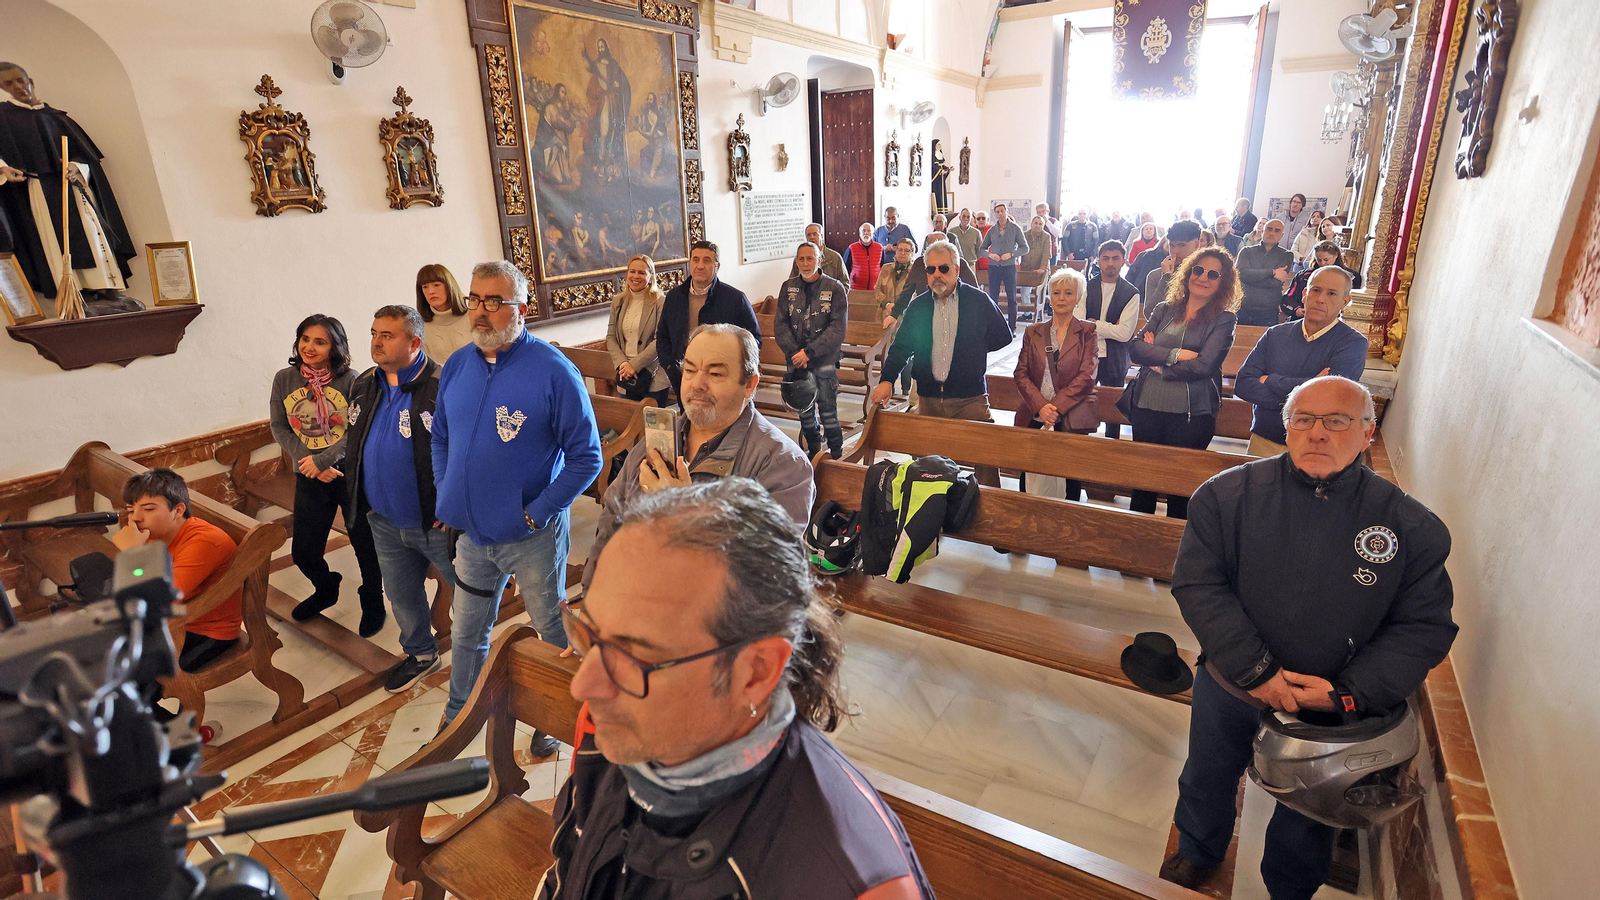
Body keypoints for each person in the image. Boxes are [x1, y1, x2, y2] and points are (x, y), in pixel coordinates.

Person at [548, 479, 934, 900]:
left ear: (756, 673)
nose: (583, 686)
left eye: (631, 656)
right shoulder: (607, 735)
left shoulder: (850, 881)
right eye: (589, 636)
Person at [1161, 375, 1456, 899]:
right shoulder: (1228, 496)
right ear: (1287, 427)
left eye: (1337, 421)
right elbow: (1199, 585)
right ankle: (1199, 851)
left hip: (1329, 708)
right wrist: (1259, 673)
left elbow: (1423, 627)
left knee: (1309, 815)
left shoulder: (1410, 527)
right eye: (1304, 420)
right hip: (1232, 686)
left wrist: (1349, 693)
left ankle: (1290, 887)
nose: (1318, 433)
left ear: (1368, 433)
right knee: (1206, 778)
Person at [432, 261, 602, 742]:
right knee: (465, 633)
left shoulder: (553, 371)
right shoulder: (459, 365)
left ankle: (558, 716)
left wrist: (536, 511)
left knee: (552, 630)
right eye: (474, 300)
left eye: (493, 302)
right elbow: (441, 436)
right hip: (472, 536)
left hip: (532, 536)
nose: (480, 313)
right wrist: (447, 492)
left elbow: (586, 458)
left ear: (521, 309)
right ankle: (456, 722)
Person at [582, 324, 814, 588]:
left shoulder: (783, 464)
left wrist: (688, 516)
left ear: (749, 385)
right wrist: (593, 602)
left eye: (715, 374)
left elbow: (767, 574)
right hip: (632, 607)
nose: (697, 384)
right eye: (689, 370)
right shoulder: (657, 443)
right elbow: (611, 520)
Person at [340, 305, 456, 689]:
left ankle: (482, 657)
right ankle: (421, 653)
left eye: (387, 335)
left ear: (415, 342)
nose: (375, 342)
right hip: (384, 519)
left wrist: (452, 505)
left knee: (471, 592)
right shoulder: (365, 384)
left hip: (436, 521)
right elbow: (354, 442)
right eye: (374, 333)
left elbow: (464, 451)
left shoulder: (443, 384)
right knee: (402, 595)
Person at [269, 314, 384, 627]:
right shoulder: (285, 378)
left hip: (349, 474)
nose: (310, 346)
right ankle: (326, 587)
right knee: (304, 550)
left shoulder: (352, 380)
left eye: (320, 341)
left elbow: (355, 430)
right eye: (305, 339)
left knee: (364, 544)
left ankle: (372, 599)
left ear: (335, 346)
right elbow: (279, 426)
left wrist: (324, 461)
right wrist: (311, 462)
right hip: (308, 473)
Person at [871, 240, 1013, 487]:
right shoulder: (918, 306)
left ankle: (992, 512)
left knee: (987, 458)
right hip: (929, 401)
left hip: (970, 401)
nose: (937, 275)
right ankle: (931, 509)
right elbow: (901, 348)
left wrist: (971, 351)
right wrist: (886, 381)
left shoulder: (978, 301)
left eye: (944, 269)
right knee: (924, 467)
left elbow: (1004, 336)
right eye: (931, 269)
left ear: (957, 270)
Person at [0, 62, 135, 301]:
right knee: (52, 239)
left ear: (30, 81)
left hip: (72, 188)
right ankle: (73, 292)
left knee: (91, 234)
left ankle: (104, 285)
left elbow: (85, 155)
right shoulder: (3, 117)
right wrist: (4, 168)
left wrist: (76, 167)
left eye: (20, 80)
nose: (18, 87)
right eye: (8, 83)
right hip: (38, 189)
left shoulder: (56, 117)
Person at [1124, 248, 1240, 518]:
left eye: (1213, 274)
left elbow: (1204, 366)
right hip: (1147, 407)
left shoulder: (1224, 319)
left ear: (1222, 282)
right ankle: (1135, 549)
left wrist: (1158, 367)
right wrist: (1174, 355)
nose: (1203, 277)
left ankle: (1177, 552)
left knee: (1181, 491)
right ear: (1188, 272)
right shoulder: (1164, 309)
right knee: (1143, 486)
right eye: (1198, 270)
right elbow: (1136, 349)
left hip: (1190, 415)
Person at [112, 469, 240, 673]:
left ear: (178, 510)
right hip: (177, 620)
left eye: (148, 509)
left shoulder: (203, 541)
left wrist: (133, 552)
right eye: (131, 509)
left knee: (135, 674)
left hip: (208, 631)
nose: (135, 518)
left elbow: (162, 599)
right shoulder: (155, 534)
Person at [1236, 266, 1369, 457]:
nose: (1321, 299)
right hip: (1265, 439)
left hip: (1315, 445)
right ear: (1305, 294)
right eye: (1316, 290)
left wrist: (1270, 380)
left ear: (1345, 302)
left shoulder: (1353, 343)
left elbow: (1328, 398)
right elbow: (1243, 385)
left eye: (1332, 293)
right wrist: (1309, 385)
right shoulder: (1275, 334)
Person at [1014, 268, 1100, 501]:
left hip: (1070, 416)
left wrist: (1056, 408)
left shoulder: (1087, 332)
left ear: (1078, 298)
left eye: (1068, 293)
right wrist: (1041, 406)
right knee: (1029, 475)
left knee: (1069, 477)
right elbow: (1021, 373)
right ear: (1049, 297)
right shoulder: (1034, 332)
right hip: (1035, 415)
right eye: (1056, 292)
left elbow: (1087, 376)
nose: (1061, 298)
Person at [657, 240, 762, 396]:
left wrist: (732, 371)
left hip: (722, 381)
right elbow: (663, 337)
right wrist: (672, 368)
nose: (700, 265)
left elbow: (754, 341)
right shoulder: (674, 297)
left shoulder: (735, 299)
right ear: (690, 263)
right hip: (684, 376)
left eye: (707, 260)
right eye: (695, 259)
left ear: (717, 266)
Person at [776, 241, 850, 458]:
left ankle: (836, 454)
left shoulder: (835, 288)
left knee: (828, 412)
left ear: (819, 260)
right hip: (796, 362)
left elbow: (837, 329)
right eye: (802, 259)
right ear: (796, 261)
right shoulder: (787, 287)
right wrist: (794, 354)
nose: (806, 263)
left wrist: (809, 353)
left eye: (810, 258)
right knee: (805, 413)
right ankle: (814, 451)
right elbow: (780, 325)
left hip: (824, 361)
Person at [1076, 240, 1141, 440]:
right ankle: (1080, 445)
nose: (1110, 263)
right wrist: (1108, 327)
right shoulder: (1086, 287)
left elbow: (1124, 334)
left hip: (1115, 358)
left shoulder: (1131, 293)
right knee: (1081, 404)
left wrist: (1095, 325)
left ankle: (1112, 448)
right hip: (1086, 356)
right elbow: (1078, 325)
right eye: (1106, 258)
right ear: (1099, 261)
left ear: (1123, 261)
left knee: (1113, 409)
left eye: (1115, 258)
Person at [605, 255, 670, 407]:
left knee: (653, 428)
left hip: (653, 375)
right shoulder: (618, 301)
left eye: (642, 272)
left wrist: (635, 364)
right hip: (626, 375)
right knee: (629, 422)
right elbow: (611, 337)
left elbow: (660, 339)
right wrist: (623, 364)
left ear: (651, 277)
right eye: (632, 271)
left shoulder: (661, 302)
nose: (636, 276)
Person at [1282, 241, 1364, 321]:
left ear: (1336, 255)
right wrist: (1297, 310)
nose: (1323, 264)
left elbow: (1352, 303)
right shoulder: (1304, 275)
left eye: (1326, 259)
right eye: (1319, 260)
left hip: (1334, 321)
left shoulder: (1351, 277)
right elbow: (1287, 298)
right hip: (1303, 318)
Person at [1236, 219, 1295, 326]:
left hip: (1268, 313)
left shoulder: (1287, 255)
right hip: (1242, 309)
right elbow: (1242, 274)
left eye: (1277, 231)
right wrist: (1272, 272)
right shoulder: (1246, 251)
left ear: (1282, 235)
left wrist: (1251, 278)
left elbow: (1275, 283)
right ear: (1262, 231)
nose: (1272, 233)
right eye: (1269, 229)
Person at [980, 203, 1030, 329]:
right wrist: (990, 255)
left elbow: (1025, 248)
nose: (1000, 214)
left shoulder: (1015, 228)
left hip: (1009, 267)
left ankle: (1012, 327)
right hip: (994, 267)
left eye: (1002, 211)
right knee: (993, 297)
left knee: (1011, 297)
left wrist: (1012, 254)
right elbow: (982, 249)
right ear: (995, 214)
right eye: (997, 212)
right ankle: (994, 327)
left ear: (1006, 212)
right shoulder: (992, 230)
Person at [1140, 220, 1204, 317]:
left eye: (1182, 245)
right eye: (1172, 245)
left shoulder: (1207, 275)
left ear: (1196, 245)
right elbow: (1149, 314)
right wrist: (1167, 278)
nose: (1175, 251)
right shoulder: (1156, 275)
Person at [415, 264, 474, 363]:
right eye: (425, 287)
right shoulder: (420, 328)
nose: (431, 291)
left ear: (449, 285)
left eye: (436, 285)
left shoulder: (474, 313)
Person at [1017, 215, 1054, 318]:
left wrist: (1042, 268)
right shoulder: (1024, 235)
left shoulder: (1046, 237)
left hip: (1041, 269)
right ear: (1031, 224)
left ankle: (1038, 313)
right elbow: (1019, 250)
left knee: (1040, 292)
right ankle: (1027, 313)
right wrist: (1018, 263)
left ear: (1043, 225)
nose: (1037, 225)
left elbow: (1047, 254)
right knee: (1024, 291)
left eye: (1040, 224)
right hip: (1026, 269)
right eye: (1036, 223)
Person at [874, 237, 916, 325]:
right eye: (900, 249)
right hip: (884, 314)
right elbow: (877, 289)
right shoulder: (886, 268)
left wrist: (897, 308)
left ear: (912, 253)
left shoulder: (915, 271)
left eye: (907, 250)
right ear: (896, 251)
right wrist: (887, 304)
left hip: (905, 317)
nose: (902, 253)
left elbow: (915, 294)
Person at [842, 222, 885, 291]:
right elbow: (845, 269)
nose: (866, 233)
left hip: (875, 288)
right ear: (859, 234)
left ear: (873, 233)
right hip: (856, 288)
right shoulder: (852, 248)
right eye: (864, 230)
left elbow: (883, 267)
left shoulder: (880, 248)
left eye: (869, 230)